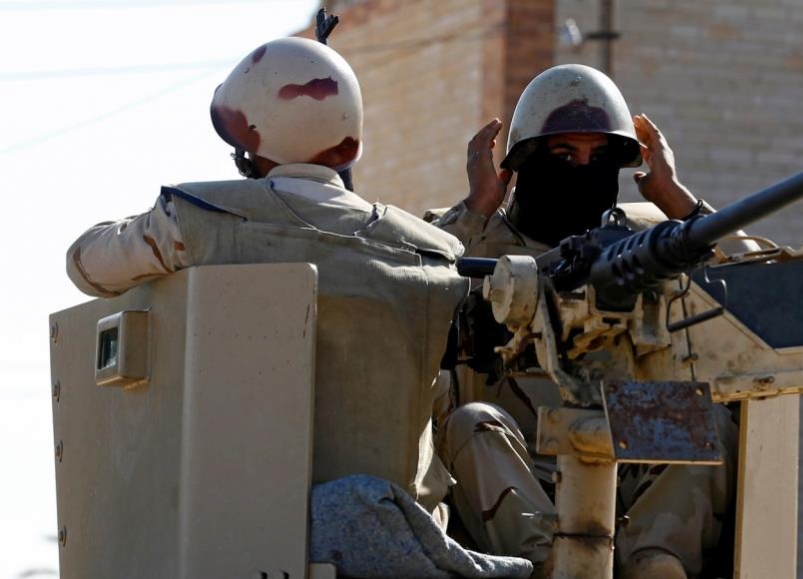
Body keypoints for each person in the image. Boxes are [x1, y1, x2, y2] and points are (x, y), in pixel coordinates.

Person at [66, 37, 471, 528]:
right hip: (400, 532)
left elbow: (85, 264)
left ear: (253, 139)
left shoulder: (197, 221)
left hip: (238, 527)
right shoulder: (434, 255)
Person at [428, 64, 753, 579]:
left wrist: (673, 197)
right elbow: (411, 287)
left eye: (599, 159)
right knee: (471, 422)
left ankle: (655, 559)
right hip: (521, 463)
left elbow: (756, 291)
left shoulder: (647, 240)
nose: (582, 171)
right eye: (563, 156)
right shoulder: (466, 239)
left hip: (628, 458)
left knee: (705, 420)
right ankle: (549, 565)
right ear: (527, 162)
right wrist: (476, 209)